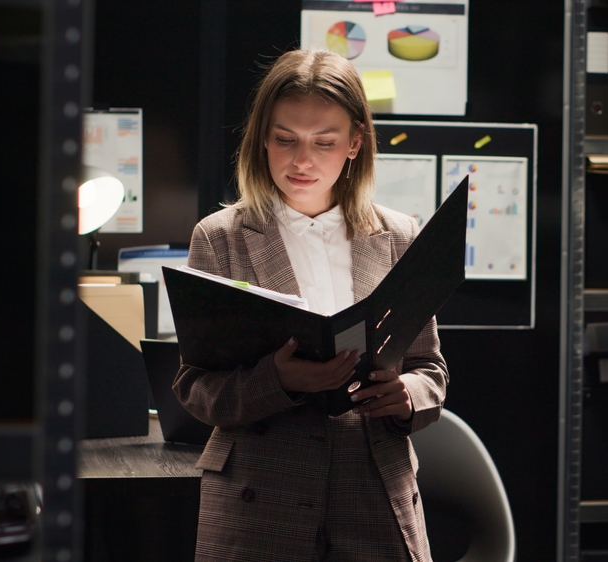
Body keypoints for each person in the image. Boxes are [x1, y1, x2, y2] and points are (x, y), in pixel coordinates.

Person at [172, 48, 448, 562]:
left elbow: (430, 368)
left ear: (354, 143)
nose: (302, 161)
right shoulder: (220, 238)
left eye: (324, 142)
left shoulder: (399, 235)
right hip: (260, 497)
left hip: (372, 487)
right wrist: (277, 381)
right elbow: (193, 388)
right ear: (261, 139)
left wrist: (409, 393)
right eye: (285, 140)